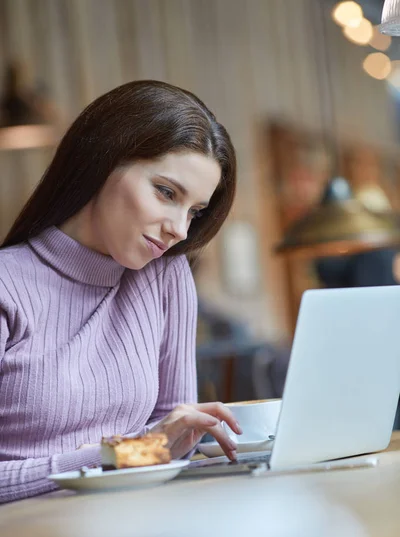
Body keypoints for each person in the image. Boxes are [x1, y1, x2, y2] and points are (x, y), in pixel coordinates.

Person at [0, 80, 242, 503]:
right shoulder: (8, 285)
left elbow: (171, 442)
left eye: (194, 211)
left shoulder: (165, 277)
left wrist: (155, 447)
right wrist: (113, 456)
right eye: (166, 193)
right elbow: (148, 450)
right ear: (102, 162)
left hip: (137, 525)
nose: (179, 229)